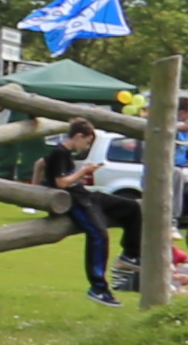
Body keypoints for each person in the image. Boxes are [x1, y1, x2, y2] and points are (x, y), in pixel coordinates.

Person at [38, 122, 124, 301]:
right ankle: (98, 287)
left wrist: (37, 186)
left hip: (83, 196)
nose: (86, 147)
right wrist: (83, 171)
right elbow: (61, 183)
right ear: (78, 136)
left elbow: (39, 164)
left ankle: (131, 254)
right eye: (86, 142)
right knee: (98, 235)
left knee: (130, 207)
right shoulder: (59, 153)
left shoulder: (64, 153)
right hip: (74, 202)